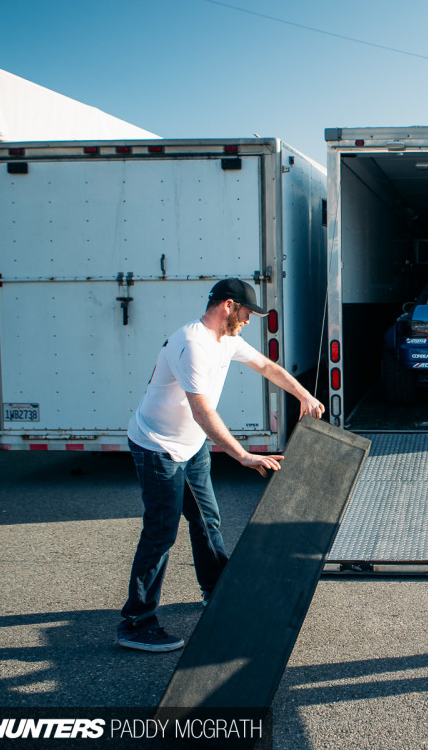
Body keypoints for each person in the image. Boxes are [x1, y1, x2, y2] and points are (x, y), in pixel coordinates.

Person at [117, 278, 324, 652]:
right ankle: (136, 622)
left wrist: (303, 394)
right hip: (157, 447)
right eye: (246, 313)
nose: (247, 321)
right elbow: (202, 412)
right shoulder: (191, 344)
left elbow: (267, 366)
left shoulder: (226, 340)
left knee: (206, 519)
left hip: (190, 445)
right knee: (161, 532)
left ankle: (216, 591)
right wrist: (243, 455)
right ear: (229, 306)